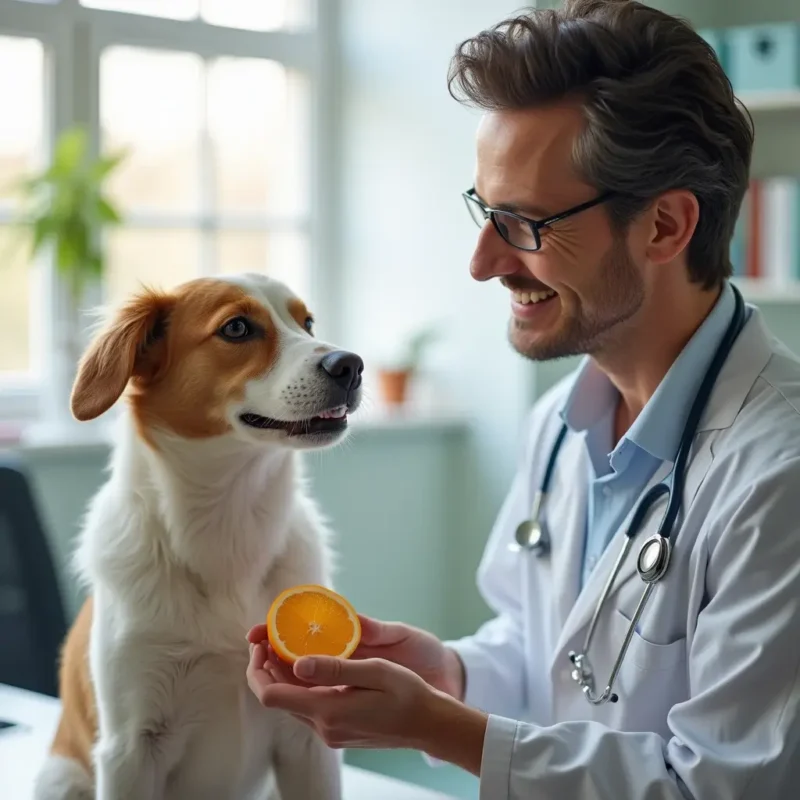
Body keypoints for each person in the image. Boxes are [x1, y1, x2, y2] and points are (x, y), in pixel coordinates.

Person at [246, 1, 800, 797]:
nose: (481, 262)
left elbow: (723, 787)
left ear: (667, 226)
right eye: (485, 210)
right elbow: (549, 654)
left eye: (526, 224)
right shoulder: (559, 425)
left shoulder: (778, 477)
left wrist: (438, 726)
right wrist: (447, 673)